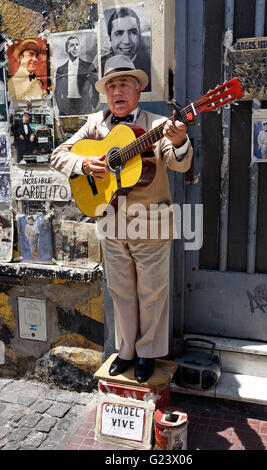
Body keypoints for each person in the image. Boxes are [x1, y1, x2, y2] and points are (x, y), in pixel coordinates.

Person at [51, 55, 193, 383]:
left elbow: (180, 164)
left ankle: (147, 354)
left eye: (124, 84)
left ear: (138, 90)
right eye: (111, 85)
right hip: (111, 220)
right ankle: (126, 351)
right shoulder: (95, 125)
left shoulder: (158, 125)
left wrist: (179, 140)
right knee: (121, 289)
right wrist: (83, 165)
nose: (117, 91)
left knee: (152, 291)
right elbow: (59, 154)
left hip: (151, 222)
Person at [101, 7, 151, 92]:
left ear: (139, 36)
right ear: (110, 40)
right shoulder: (102, 68)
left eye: (132, 32)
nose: (127, 41)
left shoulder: (149, 66)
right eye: (119, 33)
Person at [55, 35, 99, 116]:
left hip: (84, 106)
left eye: (77, 45)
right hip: (67, 107)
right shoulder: (60, 69)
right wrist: (61, 107)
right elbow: (57, 92)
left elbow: (96, 87)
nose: (75, 48)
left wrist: (93, 105)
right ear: (67, 49)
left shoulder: (89, 66)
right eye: (72, 45)